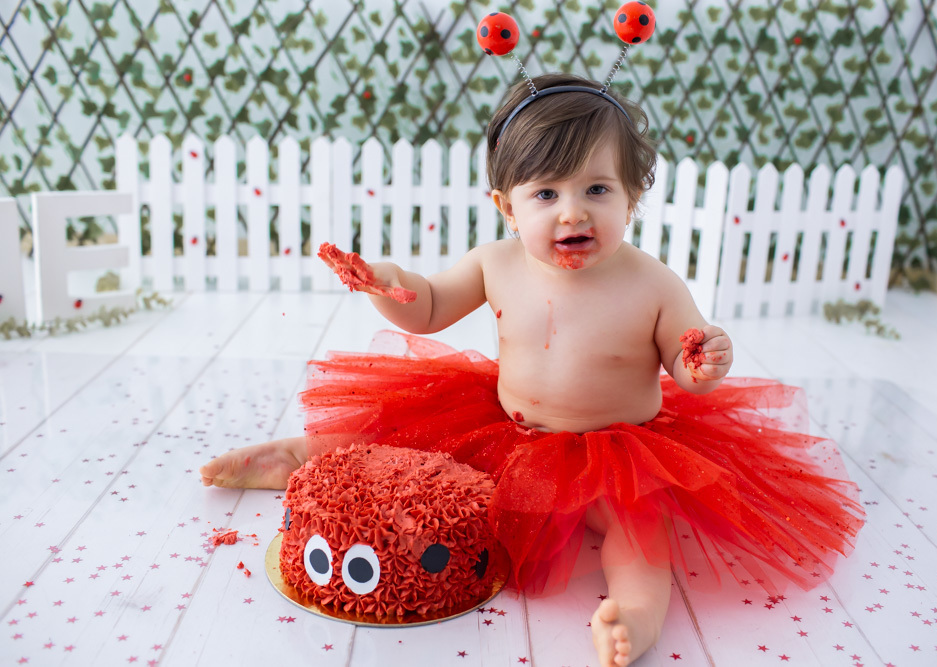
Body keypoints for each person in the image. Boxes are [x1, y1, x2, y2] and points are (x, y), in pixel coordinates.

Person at [200, 73, 863, 667]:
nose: (573, 211)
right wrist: (386, 281)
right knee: (404, 449)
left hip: (615, 453)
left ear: (631, 197)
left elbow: (686, 364)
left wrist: (704, 359)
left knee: (639, 534)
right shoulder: (496, 262)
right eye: (546, 192)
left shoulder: (653, 283)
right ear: (508, 206)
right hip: (504, 430)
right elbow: (427, 307)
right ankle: (295, 456)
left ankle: (633, 614)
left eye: (597, 188)